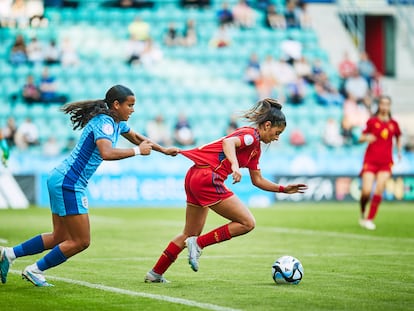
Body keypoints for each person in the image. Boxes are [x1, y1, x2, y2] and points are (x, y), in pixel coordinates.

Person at [0, 85, 179, 287]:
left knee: (60, 236)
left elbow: (137, 137)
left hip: (61, 178)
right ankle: (35, 270)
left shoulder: (116, 123)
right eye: (130, 105)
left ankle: (9, 254)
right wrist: (138, 152)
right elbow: (107, 153)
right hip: (70, 182)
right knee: (81, 241)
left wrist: (163, 150)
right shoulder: (105, 123)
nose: (133, 109)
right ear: (116, 104)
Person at [144, 98, 307, 283]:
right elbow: (228, 143)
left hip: (195, 175)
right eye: (277, 132)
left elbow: (257, 180)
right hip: (207, 177)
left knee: (189, 233)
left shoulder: (255, 149)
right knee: (247, 222)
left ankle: (155, 273)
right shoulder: (251, 135)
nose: (277, 137)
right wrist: (235, 166)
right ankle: (198, 244)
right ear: (267, 125)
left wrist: (283, 189)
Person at [358, 95, 402, 230]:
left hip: (386, 162)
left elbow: (398, 136)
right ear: (379, 105)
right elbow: (361, 137)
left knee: (379, 189)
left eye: (387, 104)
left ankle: (369, 219)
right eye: (382, 104)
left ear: (389, 106)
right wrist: (367, 138)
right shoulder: (372, 121)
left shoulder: (394, 124)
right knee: (366, 191)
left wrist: (399, 151)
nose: (384, 106)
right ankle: (363, 210)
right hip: (370, 160)